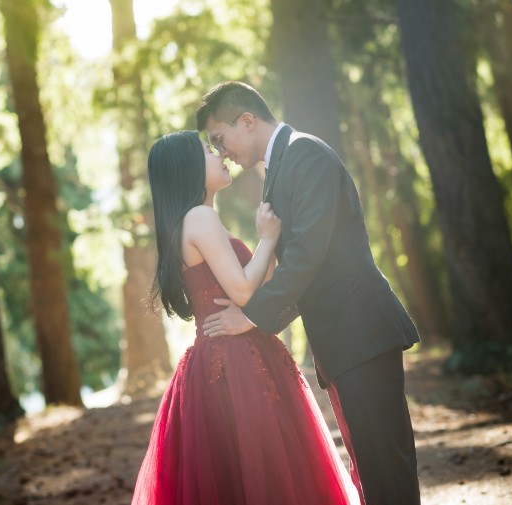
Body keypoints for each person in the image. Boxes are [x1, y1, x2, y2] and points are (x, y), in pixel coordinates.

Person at [196, 81, 421, 504]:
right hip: (343, 342)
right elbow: (307, 266)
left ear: (247, 120)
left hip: (362, 334)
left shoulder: (305, 153)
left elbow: (307, 253)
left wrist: (252, 317)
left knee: (386, 469)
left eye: (220, 139)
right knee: (371, 470)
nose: (221, 151)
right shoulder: (280, 166)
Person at [131, 130, 359, 504]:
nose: (220, 154)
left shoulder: (199, 220)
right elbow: (242, 292)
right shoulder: (200, 218)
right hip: (234, 361)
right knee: (262, 463)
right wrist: (267, 238)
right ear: (188, 168)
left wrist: (266, 244)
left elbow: (261, 282)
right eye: (209, 151)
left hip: (234, 352)